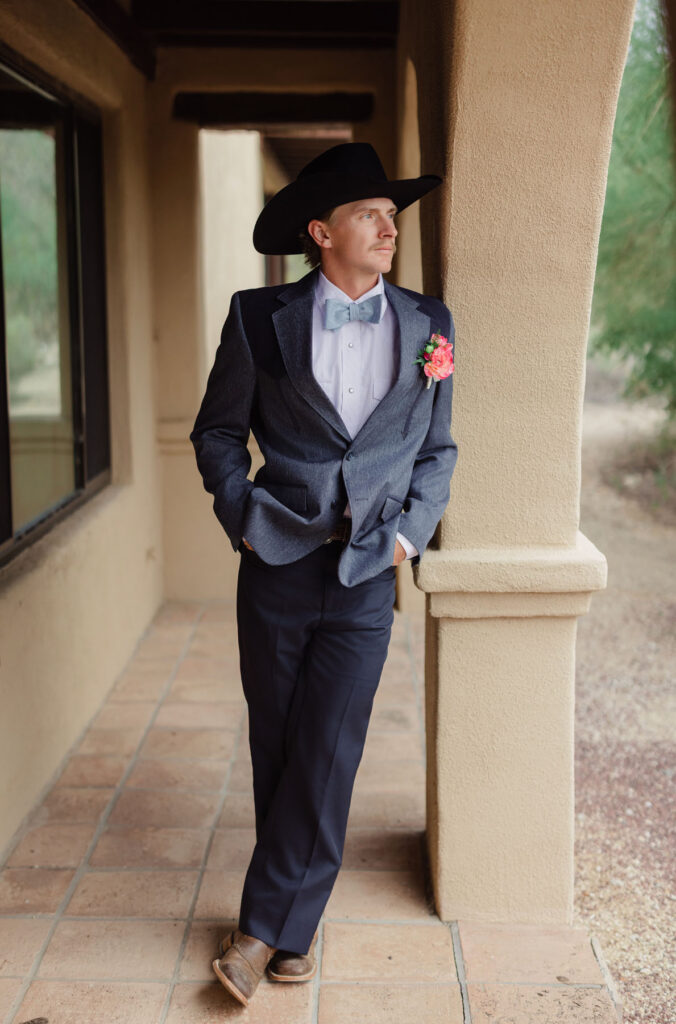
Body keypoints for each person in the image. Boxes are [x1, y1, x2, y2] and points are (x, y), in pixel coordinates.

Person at [189, 141, 458, 1007]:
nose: (389, 226)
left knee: (330, 745)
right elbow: (217, 433)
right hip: (273, 562)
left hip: (365, 573)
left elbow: (438, 451)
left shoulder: (430, 325)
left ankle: (260, 931)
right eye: (368, 215)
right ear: (321, 231)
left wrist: (408, 537)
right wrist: (242, 516)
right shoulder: (256, 316)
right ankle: (298, 930)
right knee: (280, 741)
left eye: (391, 214)